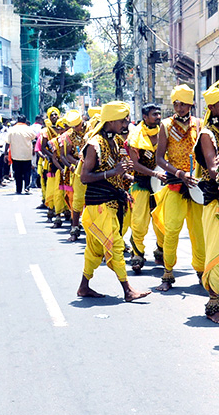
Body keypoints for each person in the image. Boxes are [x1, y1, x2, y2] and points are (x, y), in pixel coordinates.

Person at [75, 101, 152, 302]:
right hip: (98, 205)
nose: (126, 123)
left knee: (94, 250)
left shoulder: (116, 141)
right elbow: (85, 177)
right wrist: (114, 171)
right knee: (116, 245)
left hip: (112, 200)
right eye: (123, 119)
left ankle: (84, 287)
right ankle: (128, 290)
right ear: (112, 120)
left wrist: (126, 179)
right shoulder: (94, 145)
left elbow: (115, 172)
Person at [154, 84, 204, 291]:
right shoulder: (165, 125)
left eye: (183, 104)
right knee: (172, 229)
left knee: (199, 232)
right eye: (176, 103)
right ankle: (167, 273)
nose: (179, 107)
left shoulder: (200, 124)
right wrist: (179, 173)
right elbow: (159, 158)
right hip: (175, 183)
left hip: (196, 185)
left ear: (191, 104)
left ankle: (202, 272)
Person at [195, 80, 219, 322]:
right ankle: (213, 305)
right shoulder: (206, 134)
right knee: (217, 253)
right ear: (212, 107)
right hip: (215, 201)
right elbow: (212, 169)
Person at [126, 104, 167, 273]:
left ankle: (161, 250)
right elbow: (134, 163)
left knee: (162, 221)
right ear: (145, 117)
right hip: (141, 183)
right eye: (154, 114)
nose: (158, 117)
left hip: (161, 184)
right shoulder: (135, 135)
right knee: (139, 222)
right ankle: (137, 254)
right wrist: (153, 174)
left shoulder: (165, 131)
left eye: (159, 114)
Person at [8, 116, 36, 195]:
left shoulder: (12, 129)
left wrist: (6, 155)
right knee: (27, 172)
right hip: (27, 154)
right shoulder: (28, 129)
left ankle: (18, 189)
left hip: (15, 155)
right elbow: (34, 137)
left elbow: (8, 142)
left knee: (17, 172)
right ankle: (27, 187)